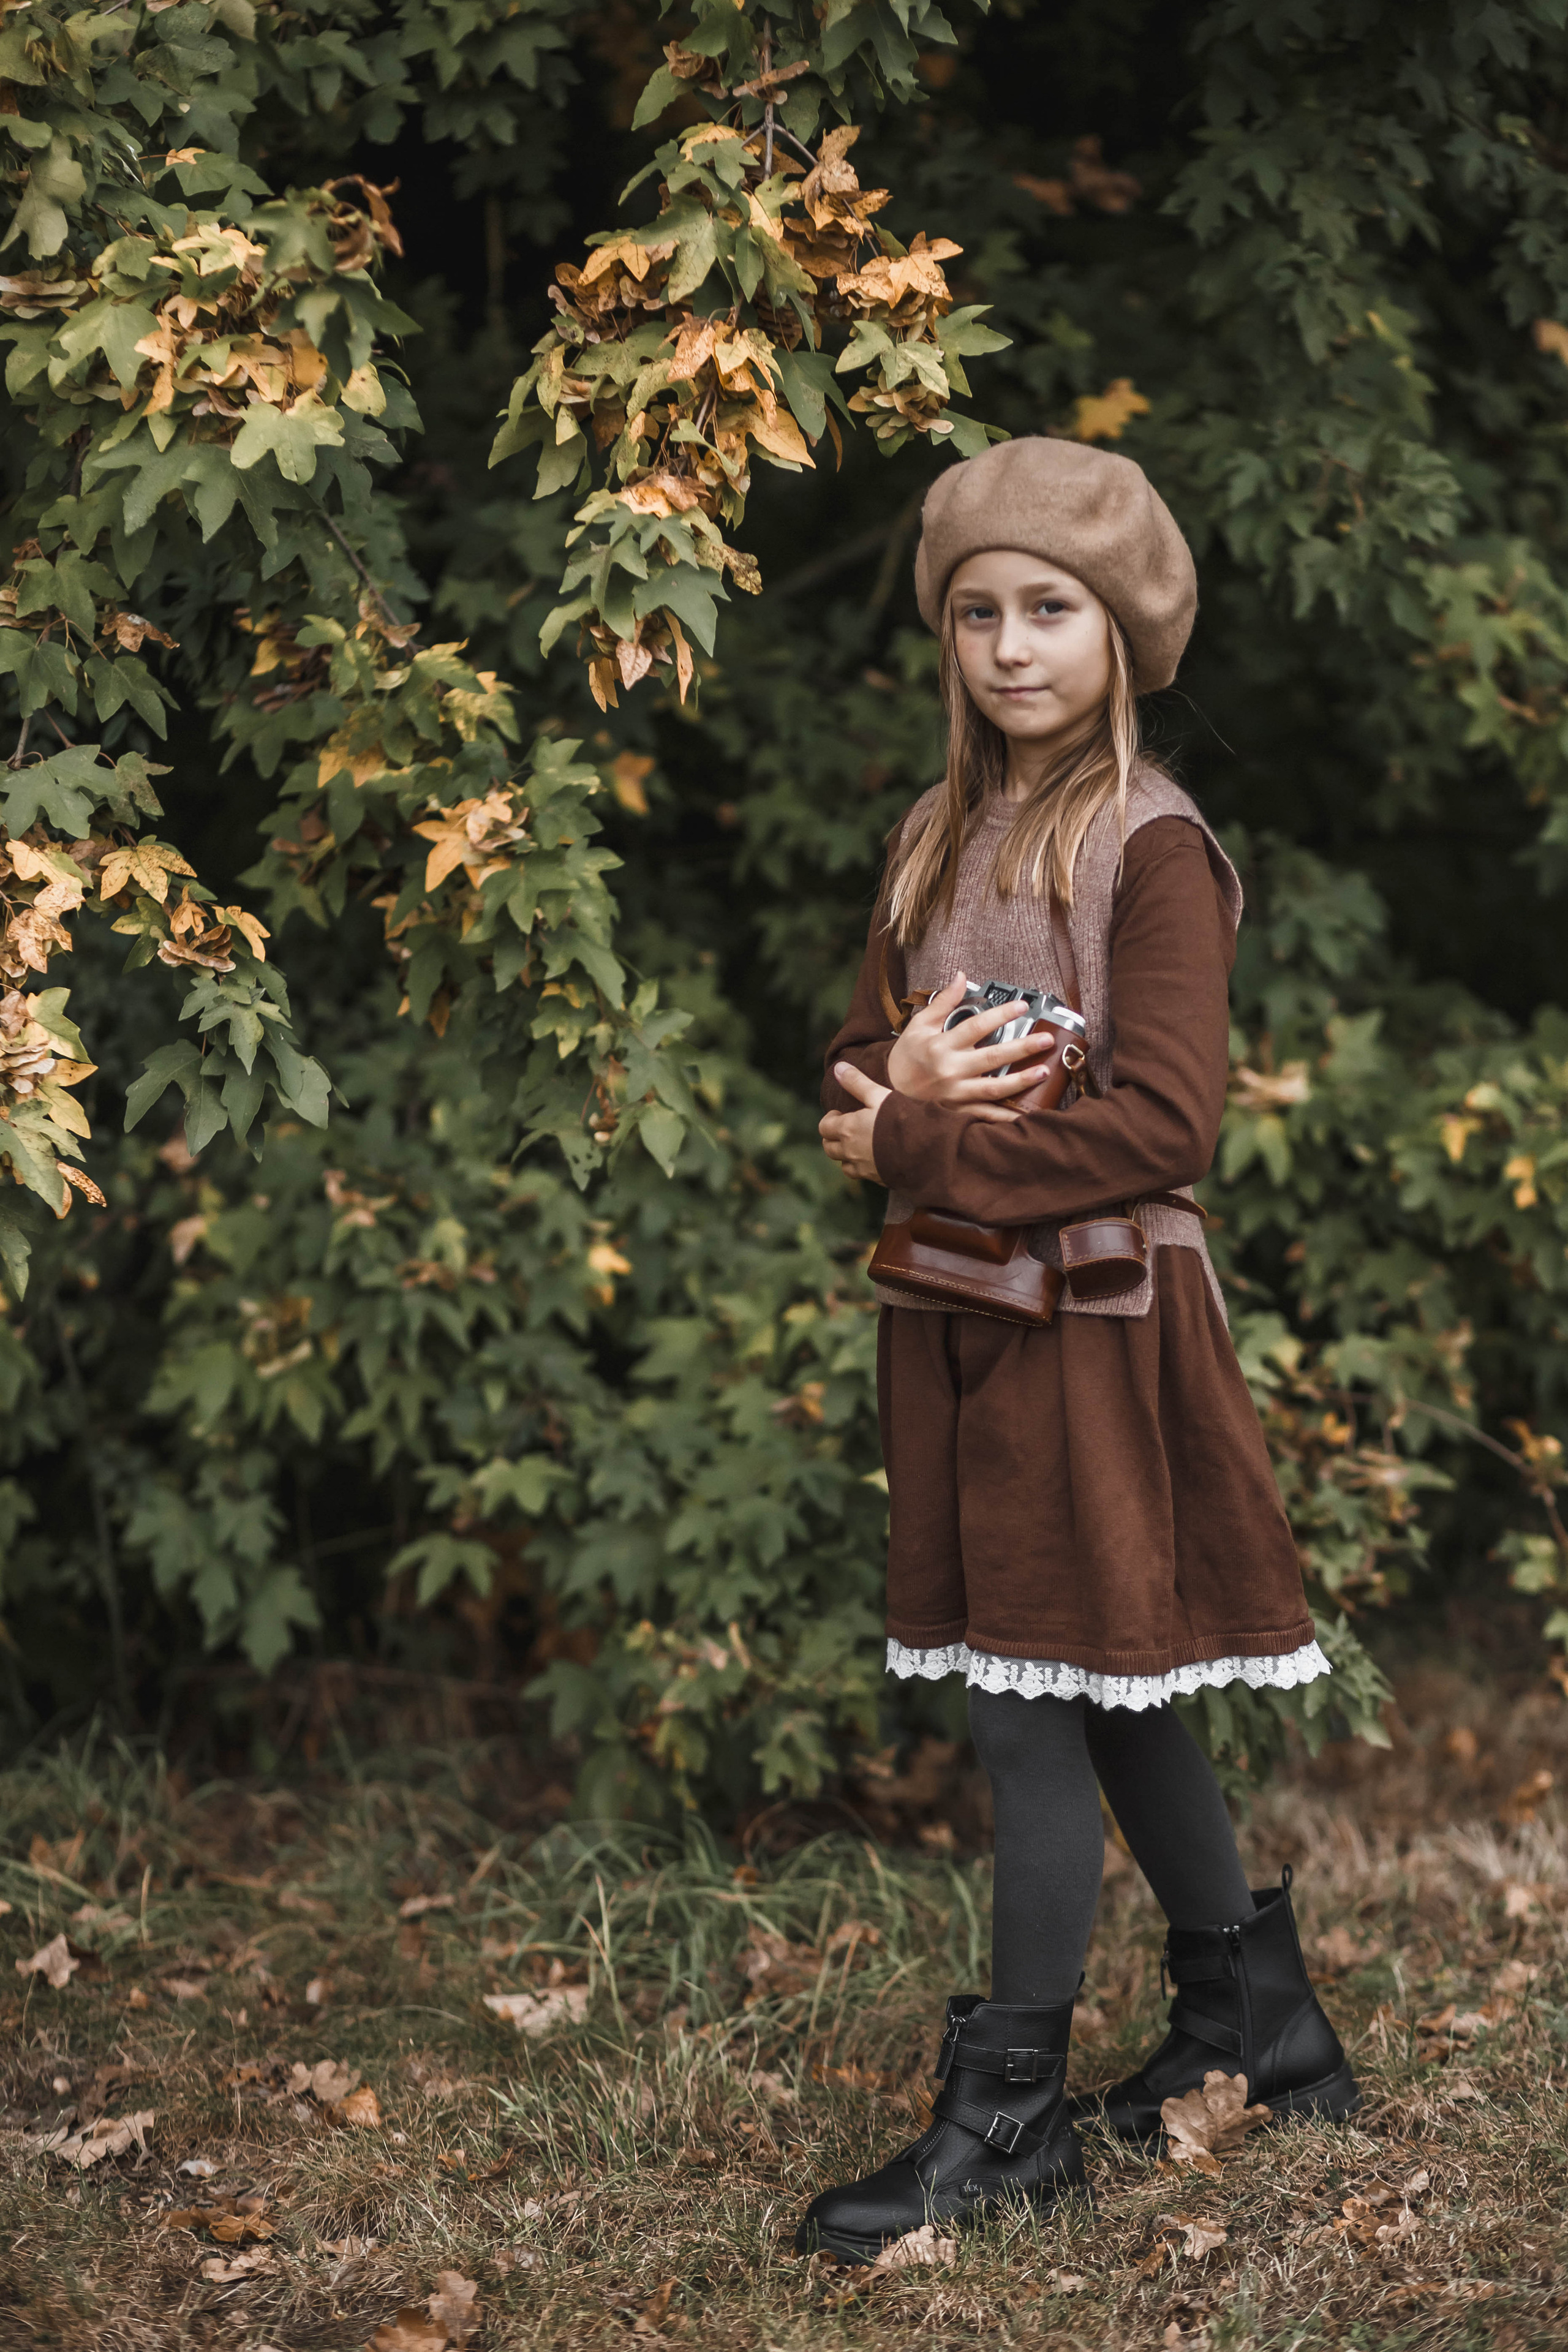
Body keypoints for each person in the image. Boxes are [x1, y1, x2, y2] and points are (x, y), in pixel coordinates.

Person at [797, 438, 1358, 2267]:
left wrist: (917, 1139)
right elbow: (863, 1069)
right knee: (1116, 1694)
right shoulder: (935, 835)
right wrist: (889, 1092)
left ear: (1121, 634)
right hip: (955, 1317)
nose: (1011, 647)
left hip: (1102, 1322)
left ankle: (1010, 2118)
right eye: (979, 613)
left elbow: (1168, 1125)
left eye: (1051, 612)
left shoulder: (1152, 841)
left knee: (1032, 1708)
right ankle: (1255, 2023)